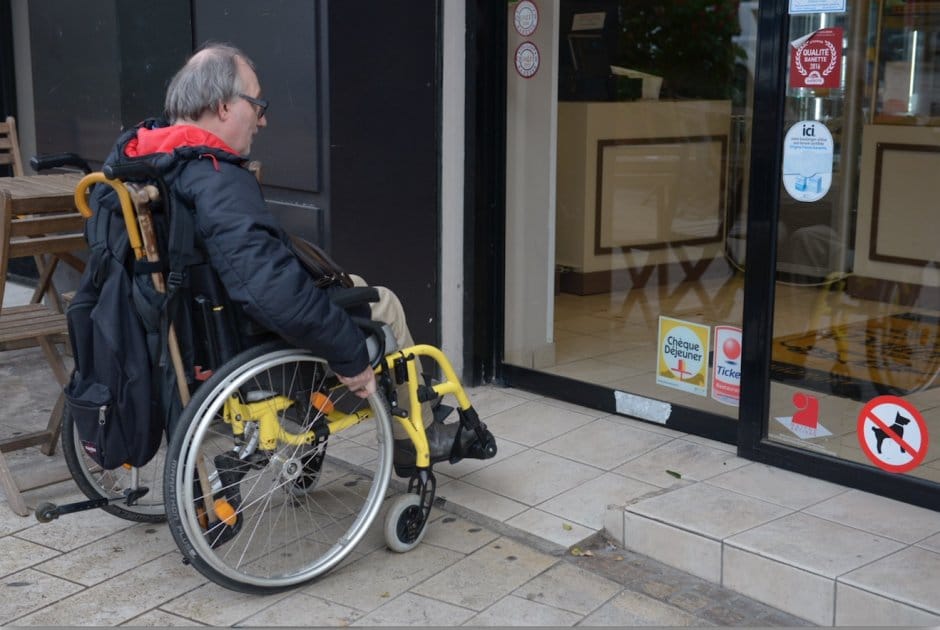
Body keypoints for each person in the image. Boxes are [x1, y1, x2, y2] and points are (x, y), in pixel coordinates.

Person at [93, 42, 471, 474]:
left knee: (352, 281)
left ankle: (321, 406)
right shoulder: (214, 178)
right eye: (257, 104)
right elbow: (268, 291)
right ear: (222, 107)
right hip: (245, 331)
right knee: (383, 301)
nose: (264, 118)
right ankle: (413, 438)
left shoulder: (141, 160)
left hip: (194, 320)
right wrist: (348, 354)